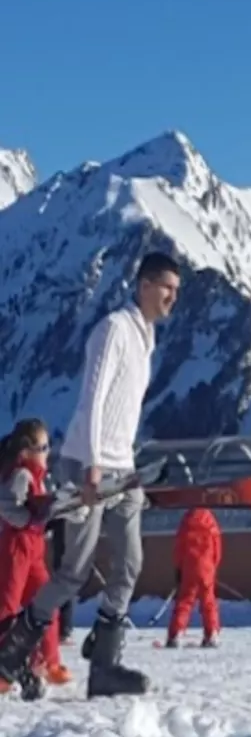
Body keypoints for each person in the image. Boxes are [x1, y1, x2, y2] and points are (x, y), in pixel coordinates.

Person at [0, 251, 181, 697]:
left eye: (176, 290)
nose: (172, 298)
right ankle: (11, 648)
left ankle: (105, 666)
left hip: (123, 468)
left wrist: (125, 462)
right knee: (72, 574)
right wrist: (94, 463)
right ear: (143, 285)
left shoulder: (146, 338)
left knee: (130, 562)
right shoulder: (114, 329)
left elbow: (125, 409)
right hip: (89, 464)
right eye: (166, 288)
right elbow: (95, 397)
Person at [0, 419, 71, 693]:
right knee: (8, 605)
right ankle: (5, 665)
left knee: (45, 601)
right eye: (43, 447)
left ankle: (47, 662)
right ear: (26, 451)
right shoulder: (21, 475)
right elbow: (7, 507)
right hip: (16, 547)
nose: (47, 452)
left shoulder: (38, 477)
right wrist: (31, 521)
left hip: (34, 549)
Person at [166, 506, 221, 648]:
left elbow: (179, 547)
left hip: (189, 567)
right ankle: (212, 633)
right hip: (207, 568)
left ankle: (176, 633)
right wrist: (214, 565)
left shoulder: (186, 521)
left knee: (185, 601)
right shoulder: (211, 521)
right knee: (208, 602)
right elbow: (217, 547)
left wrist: (178, 567)